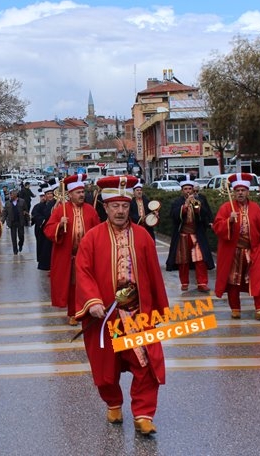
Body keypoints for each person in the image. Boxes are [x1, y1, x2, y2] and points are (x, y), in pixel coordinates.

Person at [75, 175, 168, 435]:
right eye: (114, 206)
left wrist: (158, 309)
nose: (120, 211)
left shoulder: (142, 237)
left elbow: (154, 275)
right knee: (106, 369)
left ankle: (143, 414)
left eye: (124, 206)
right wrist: (92, 301)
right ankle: (113, 403)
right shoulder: (92, 238)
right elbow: (83, 272)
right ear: (105, 208)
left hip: (137, 313)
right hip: (105, 315)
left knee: (146, 363)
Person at [211, 173, 260, 320]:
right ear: (234, 192)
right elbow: (217, 227)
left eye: (243, 190)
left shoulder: (255, 208)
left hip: (254, 250)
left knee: (259, 278)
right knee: (234, 280)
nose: (240, 193)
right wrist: (229, 221)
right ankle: (235, 308)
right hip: (233, 251)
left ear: (248, 192)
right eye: (238, 190)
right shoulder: (227, 207)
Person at [45, 173, 101, 325]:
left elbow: (98, 230)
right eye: (78, 192)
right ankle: (73, 313)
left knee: (87, 284)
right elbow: (48, 229)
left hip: (87, 255)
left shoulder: (91, 210)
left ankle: (88, 308)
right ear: (70, 194)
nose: (82, 194)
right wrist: (59, 225)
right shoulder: (61, 210)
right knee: (72, 285)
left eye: (83, 192)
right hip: (68, 255)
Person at [165, 179, 215, 292]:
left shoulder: (198, 200)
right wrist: (185, 206)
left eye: (190, 189)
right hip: (183, 235)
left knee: (200, 259)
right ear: (182, 191)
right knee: (183, 260)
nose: (188, 191)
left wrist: (197, 207)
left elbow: (204, 214)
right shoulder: (177, 202)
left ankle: (202, 282)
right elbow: (174, 216)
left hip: (196, 235)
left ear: (193, 190)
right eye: (185, 189)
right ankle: (184, 282)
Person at [31, 183, 57, 271]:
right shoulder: (39, 206)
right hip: (43, 231)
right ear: (44, 196)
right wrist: (43, 221)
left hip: (54, 230)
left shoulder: (55, 204)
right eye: (48, 194)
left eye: (51, 194)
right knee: (44, 249)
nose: (50, 195)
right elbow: (35, 215)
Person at [2, 189, 27, 255]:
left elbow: (25, 210)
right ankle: (15, 250)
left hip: (20, 221)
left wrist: (27, 219)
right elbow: (4, 213)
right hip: (12, 222)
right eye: (10, 194)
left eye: (12, 194)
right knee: (13, 237)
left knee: (21, 235)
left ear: (16, 194)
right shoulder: (7, 203)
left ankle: (20, 244)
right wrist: (2, 221)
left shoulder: (22, 201)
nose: (10, 196)